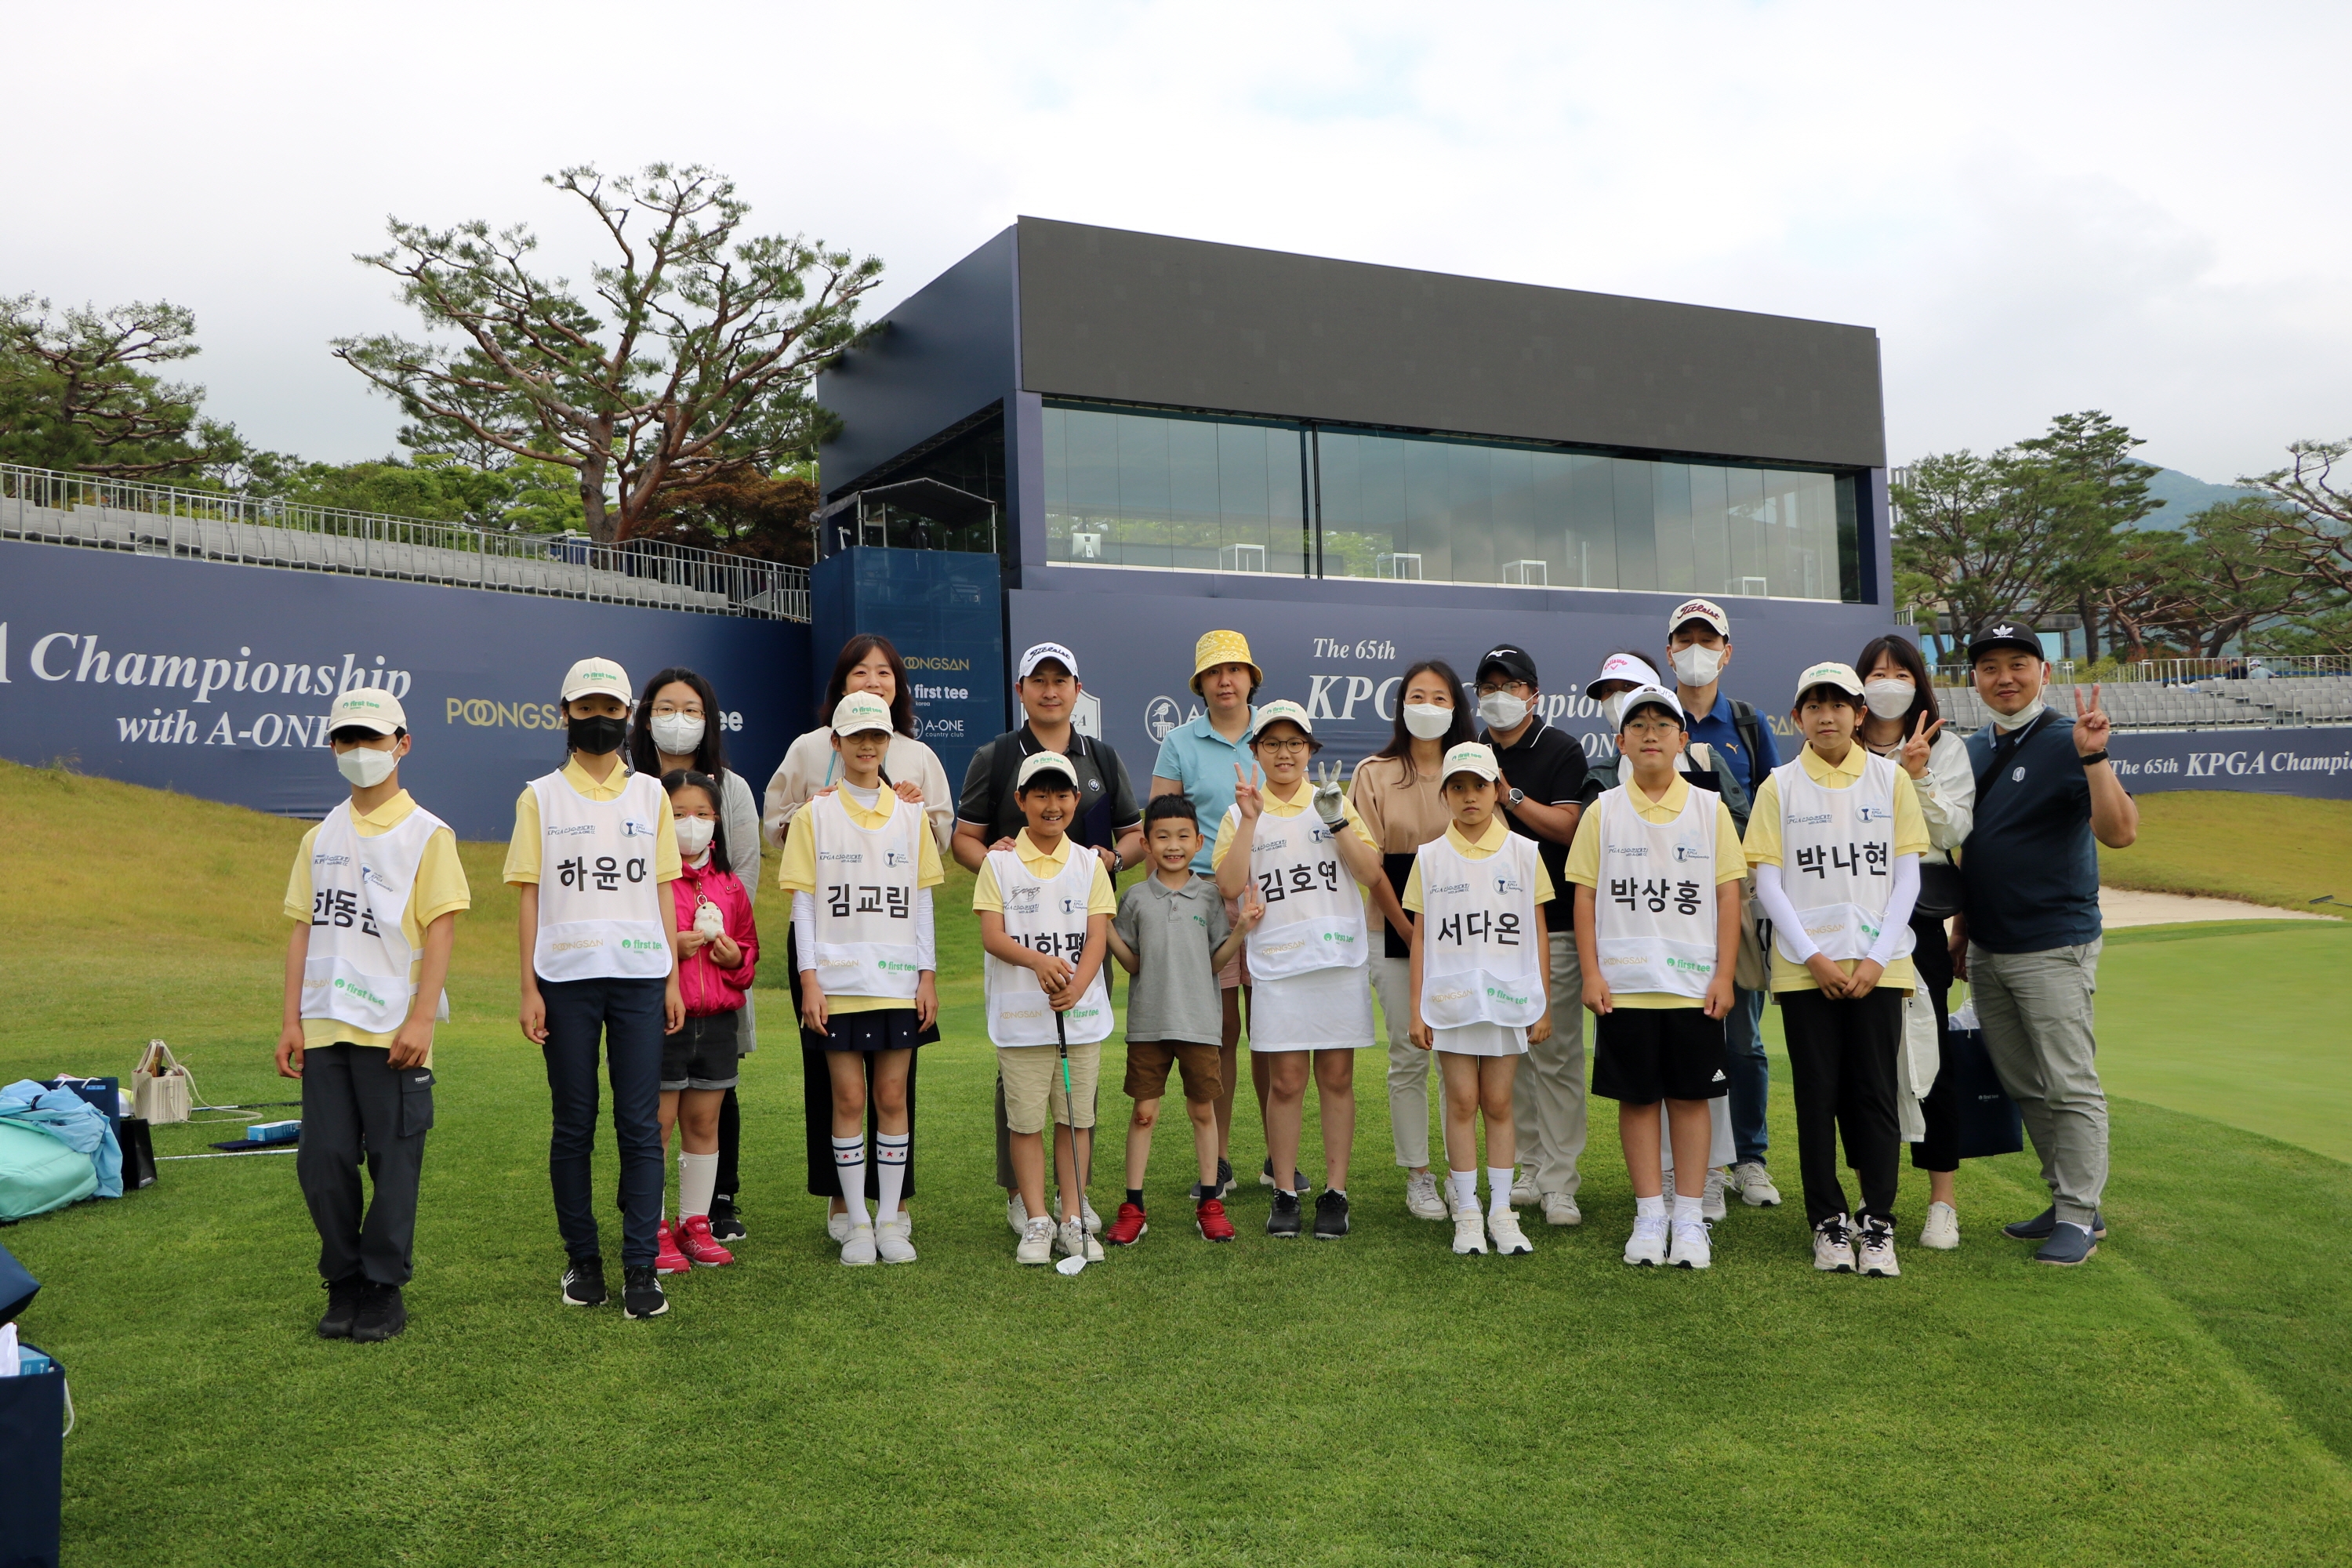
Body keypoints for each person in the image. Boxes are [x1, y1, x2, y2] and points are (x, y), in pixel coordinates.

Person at [276, 688, 469, 1344]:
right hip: (325, 1025)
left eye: (372, 738)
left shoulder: (428, 835)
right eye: (347, 739)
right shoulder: (319, 837)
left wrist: (422, 1020)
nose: (360, 750)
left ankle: (383, 1288)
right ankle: (344, 1280)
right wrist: (291, 1020)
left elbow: (441, 930)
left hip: (394, 1030)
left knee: (394, 1162)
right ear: (333, 747)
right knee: (323, 1160)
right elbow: (303, 930)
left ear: (402, 744)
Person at [1951, 618, 2137, 1267]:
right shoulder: (1971, 750)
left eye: (2018, 665)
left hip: (2053, 942)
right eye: (1990, 667)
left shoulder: (2068, 739)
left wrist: (2094, 757)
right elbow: (1971, 848)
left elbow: (2121, 832)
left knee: (2068, 1083)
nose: (2004, 678)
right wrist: (1962, 930)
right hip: (1989, 946)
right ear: (1975, 679)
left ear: (2044, 672)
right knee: (2025, 1083)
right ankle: (2068, 1201)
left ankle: (2080, 1218)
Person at [506, 656, 684, 1322]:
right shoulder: (540, 797)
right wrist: (528, 987)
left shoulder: (652, 795)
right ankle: (583, 1260)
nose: (600, 720)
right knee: (574, 1123)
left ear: (628, 715)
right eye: (587, 709)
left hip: (640, 978)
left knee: (640, 1126)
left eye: (611, 709)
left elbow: (663, 890)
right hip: (564, 981)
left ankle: (641, 1265)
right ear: (565, 715)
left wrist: (671, 976)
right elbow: (529, 896)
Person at [764, 635, 955, 1245]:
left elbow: (931, 866)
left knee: (894, 1092)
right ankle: (847, 1210)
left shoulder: (918, 759)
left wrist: (927, 974)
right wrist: (811, 812)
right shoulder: (806, 753)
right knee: (839, 1091)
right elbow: (782, 838)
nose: (874, 681)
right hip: (831, 958)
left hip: (896, 962)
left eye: (884, 673)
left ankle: (891, 1213)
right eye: (861, 672)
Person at [1748, 662, 1930, 1278]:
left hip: (1882, 966)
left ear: (1859, 714)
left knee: (1876, 1094)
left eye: (1838, 705)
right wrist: (1813, 956)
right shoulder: (1779, 786)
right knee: (1816, 1095)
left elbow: (1908, 877)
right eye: (1814, 706)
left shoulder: (1890, 779)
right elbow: (1768, 884)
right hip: (1807, 970)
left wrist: (1877, 957)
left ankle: (1877, 1223)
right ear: (1797, 717)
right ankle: (1828, 1222)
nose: (1826, 717)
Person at [957, 641, 1143, 1236]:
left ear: (1077, 690)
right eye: (1038, 681)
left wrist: (1108, 862)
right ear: (1021, 691)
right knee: (1019, 1078)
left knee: (1078, 1073)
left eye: (1061, 680)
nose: (1050, 690)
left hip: (1083, 932)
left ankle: (1073, 1200)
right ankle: (1023, 1198)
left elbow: (1134, 836)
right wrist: (999, 866)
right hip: (1021, 941)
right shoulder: (996, 756)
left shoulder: (1102, 757)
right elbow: (964, 838)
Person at [1566, 685, 1746, 1270]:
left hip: (1694, 987)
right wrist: (1591, 973)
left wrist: (1724, 975)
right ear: (1620, 741)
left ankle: (1688, 1217)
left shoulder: (1709, 809)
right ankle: (1649, 1214)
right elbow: (1585, 897)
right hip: (1625, 987)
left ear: (1682, 739)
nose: (1650, 734)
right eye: (1638, 725)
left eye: (1662, 724)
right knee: (1639, 1100)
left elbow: (1728, 896)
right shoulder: (1602, 811)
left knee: (1691, 1101)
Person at [1214, 699, 1383, 1240]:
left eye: (1294, 743)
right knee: (1285, 1081)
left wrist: (1337, 820)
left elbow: (1370, 872)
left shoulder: (1333, 800)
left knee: (1336, 1078)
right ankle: (1284, 1192)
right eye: (1272, 743)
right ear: (1256, 750)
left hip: (1336, 960)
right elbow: (1228, 885)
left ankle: (1336, 1193)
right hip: (1279, 964)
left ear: (1310, 749)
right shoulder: (1240, 812)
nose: (1283, 753)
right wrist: (1249, 819)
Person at [631, 668, 762, 1245]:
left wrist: (717, 934)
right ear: (646, 717)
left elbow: (744, 877)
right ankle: (650, 1217)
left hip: (715, 989)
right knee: (656, 1110)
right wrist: (669, 938)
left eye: (691, 709)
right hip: (657, 992)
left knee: (712, 1099)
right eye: (666, 708)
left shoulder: (733, 790)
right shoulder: (631, 785)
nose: (678, 720)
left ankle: (710, 1208)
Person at [1403, 742, 1549, 1258]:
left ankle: (1501, 1211)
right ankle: (1467, 1210)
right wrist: (1418, 1006)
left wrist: (1543, 1002)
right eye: (1458, 787)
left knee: (1500, 1102)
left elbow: (1536, 932)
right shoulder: (1429, 857)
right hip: (1452, 1002)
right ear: (1444, 794)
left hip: (1508, 1001)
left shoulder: (1524, 853)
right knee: (1463, 1101)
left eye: (1480, 786)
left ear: (1496, 790)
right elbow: (1421, 938)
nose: (1470, 796)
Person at [1853, 635, 1976, 1250]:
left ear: (1918, 682)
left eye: (1901, 673)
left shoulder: (1945, 746)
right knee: (1863, 1061)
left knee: (1931, 1056)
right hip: (1853, 915)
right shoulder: (1838, 743)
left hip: (1919, 916)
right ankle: (1871, 1195)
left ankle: (1942, 1202)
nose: (1888, 683)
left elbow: (1953, 830)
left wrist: (1918, 773)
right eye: (1877, 673)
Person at [1664, 598, 1785, 1212]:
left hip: (1734, 902)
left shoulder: (1747, 724)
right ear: (1669, 653)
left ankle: (1751, 1159)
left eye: (1707, 640)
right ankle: (1697, 1167)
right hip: (1668, 909)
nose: (1696, 650)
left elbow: (1774, 810)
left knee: (1743, 1041)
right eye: (1685, 640)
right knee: (1684, 1040)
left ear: (1726, 652)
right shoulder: (1654, 719)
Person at [976, 752, 1119, 1266]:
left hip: (1078, 1017)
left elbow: (1097, 937)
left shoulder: (1089, 864)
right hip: (1021, 1020)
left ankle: (1072, 1217)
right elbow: (993, 935)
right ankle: (1037, 1218)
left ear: (1076, 800)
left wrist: (1076, 987)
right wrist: (1037, 961)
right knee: (1025, 1123)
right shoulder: (998, 863)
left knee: (1075, 1121)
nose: (1051, 804)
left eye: (1062, 794)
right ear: (1021, 800)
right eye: (1040, 794)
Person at [1102, 793, 1261, 1246]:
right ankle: (1133, 1207)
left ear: (1199, 842)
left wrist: (1241, 930)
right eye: (1162, 837)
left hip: (1199, 1024)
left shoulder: (1209, 896)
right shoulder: (1135, 898)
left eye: (1182, 836)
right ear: (1146, 845)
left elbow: (1216, 963)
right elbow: (1132, 964)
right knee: (1144, 1114)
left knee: (1202, 1111)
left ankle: (1210, 1203)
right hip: (1148, 1025)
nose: (1173, 845)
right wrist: (1104, 925)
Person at [1350, 659, 1478, 1221]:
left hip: (1467, 933)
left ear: (1456, 707)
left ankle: (1461, 1174)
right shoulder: (1374, 773)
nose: (1428, 706)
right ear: (1401, 705)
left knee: (1462, 1056)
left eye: (1440, 697)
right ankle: (1419, 1176)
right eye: (1417, 696)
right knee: (1409, 1054)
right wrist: (1408, 930)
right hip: (1393, 931)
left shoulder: (1474, 768)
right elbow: (1370, 865)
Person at [1470, 644, 1590, 1227]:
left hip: (1557, 923)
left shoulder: (1561, 747)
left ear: (1533, 694)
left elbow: (1569, 828)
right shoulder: (1473, 750)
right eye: (1489, 687)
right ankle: (1530, 1166)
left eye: (1510, 686)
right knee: (1508, 1054)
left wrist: (1509, 795)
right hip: (1495, 928)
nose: (1500, 696)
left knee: (1556, 1054)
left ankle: (1561, 1181)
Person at [1149, 630, 1264, 1201]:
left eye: (1234, 670)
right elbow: (1160, 820)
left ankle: (1279, 1157)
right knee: (1221, 1031)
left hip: (1270, 893)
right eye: (1214, 672)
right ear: (1200, 683)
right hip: (1202, 895)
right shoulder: (1179, 742)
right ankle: (1217, 1160)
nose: (1225, 681)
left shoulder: (1275, 732)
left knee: (1271, 1030)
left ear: (1250, 678)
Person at [652, 768, 757, 1274]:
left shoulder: (730, 885)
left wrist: (735, 958)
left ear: (717, 820)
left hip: (716, 1024)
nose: (690, 823)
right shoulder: (649, 883)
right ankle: (651, 1227)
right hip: (663, 1021)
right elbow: (632, 947)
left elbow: (749, 952)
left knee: (703, 1122)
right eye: (678, 814)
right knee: (657, 1125)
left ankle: (695, 1223)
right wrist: (671, 947)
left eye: (702, 813)